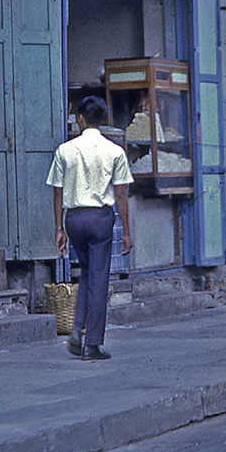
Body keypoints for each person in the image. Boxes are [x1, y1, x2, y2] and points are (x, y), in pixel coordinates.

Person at [48, 96, 133, 360]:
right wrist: (127, 231)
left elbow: (57, 193)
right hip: (100, 220)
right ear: (104, 120)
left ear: (80, 119)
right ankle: (92, 343)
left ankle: (76, 330)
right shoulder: (115, 151)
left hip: (74, 219)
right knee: (99, 277)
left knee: (85, 274)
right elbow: (120, 195)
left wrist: (59, 228)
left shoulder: (65, 150)